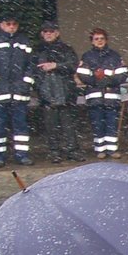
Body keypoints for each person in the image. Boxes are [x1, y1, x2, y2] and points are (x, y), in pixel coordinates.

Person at [0, 13, 35, 167]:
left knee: (21, 126)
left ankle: (22, 155)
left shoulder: (24, 41)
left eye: (14, 24)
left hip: (20, 93)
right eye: (8, 24)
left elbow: (31, 65)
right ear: (1, 24)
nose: (11, 26)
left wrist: (25, 83)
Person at [33, 20, 80, 163]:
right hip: (46, 94)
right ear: (42, 34)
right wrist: (40, 88)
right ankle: (54, 152)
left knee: (69, 125)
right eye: (46, 31)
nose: (48, 34)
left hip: (66, 93)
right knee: (51, 126)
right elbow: (33, 71)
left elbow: (73, 65)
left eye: (51, 31)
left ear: (57, 33)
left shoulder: (66, 49)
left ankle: (73, 151)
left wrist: (56, 65)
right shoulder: (37, 51)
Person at [78, 29, 126, 159]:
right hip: (95, 97)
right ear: (92, 41)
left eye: (102, 38)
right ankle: (100, 149)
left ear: (106, 40)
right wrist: (96, 80)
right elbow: (83, 75)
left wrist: (107, 80)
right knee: (97, 123)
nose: (99, 41)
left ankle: (112, 149)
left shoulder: (115, 56)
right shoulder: (87, 56)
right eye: (96, 39)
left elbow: (122, 74)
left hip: (111, 96)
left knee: (111, 123)